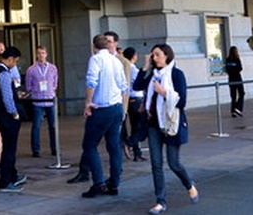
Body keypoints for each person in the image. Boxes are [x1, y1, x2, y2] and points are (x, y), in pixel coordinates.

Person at [134, 44, 198, 214]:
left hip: (171, 125)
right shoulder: (152, 76)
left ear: (167, 56)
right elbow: (136, 86)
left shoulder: (177, 75)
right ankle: (160, 201)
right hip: (153, 125)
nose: (154, 58)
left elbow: (182, 102)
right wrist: (145, 66)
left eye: (157, 55)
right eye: (153, 55)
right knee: (156, 164)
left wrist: (164, 93)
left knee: (174, 163)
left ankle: (189, 184)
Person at [79, 34, 129, 198]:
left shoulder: (96, 59)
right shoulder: (116, 60)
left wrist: (88, 102)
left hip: (101, 108)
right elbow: (124, 86)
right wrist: (122, 107)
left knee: (90, 145)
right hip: (116, 107)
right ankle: (114, 183)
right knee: (114, 146)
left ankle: (99, 183)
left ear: (94, 46)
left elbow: (91, 81)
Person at [0, 46, 28, 192]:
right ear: (10, 59)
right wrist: (14, 113)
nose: (15, 65)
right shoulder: (3, 73)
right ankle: (5, 181)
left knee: (9, 148)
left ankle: (12, 175)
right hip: (7, 117)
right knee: (9, 149)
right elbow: (7, 97)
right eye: (15, 61)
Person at [25, 45, 59, 158]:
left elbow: (55, 83)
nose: (41, 55)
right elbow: (28, 86)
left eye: (43, 53)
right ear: (36, 54)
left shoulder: (53, 68)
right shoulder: (31, 70)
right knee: (36, 126)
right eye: (39, 53)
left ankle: (54, 148)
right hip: (37, 100)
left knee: (53, 126)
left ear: (46, 54)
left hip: (49, 99)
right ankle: (35, 150)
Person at [123, 47, 147, 161]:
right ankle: (129, 142)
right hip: (136, 99)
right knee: (139, 126)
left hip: (132, 100)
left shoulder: (128, 68)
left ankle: (137, 152)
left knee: (135, 126)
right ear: (133, 56)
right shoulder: (132, 69)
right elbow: (139, 83)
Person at [225, 46, 245, 117]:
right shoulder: (237, 59)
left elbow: (227, 69)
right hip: (237, 78)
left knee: (233, 96)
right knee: (241, 93)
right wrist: (235, 70)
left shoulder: (227, 60)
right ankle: (238, 108)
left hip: (231, 79)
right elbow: (240, 68)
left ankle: (233, 111)